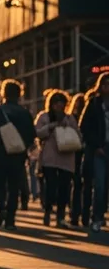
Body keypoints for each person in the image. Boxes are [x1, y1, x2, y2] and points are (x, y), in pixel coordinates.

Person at [0, 80, 36, 231]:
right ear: (19, 94)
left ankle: (1, 206)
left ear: (3, 93)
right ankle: (10, 219)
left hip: (0, 152)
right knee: (14, 186)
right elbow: (31, 135)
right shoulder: (25, 113)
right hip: (18, 154)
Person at [35, 91, 81, 228]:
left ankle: (60, 216)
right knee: (51, 187)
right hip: (49, 158)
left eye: (62, 104)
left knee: (64, 188)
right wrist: (51, 126)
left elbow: (78, 135)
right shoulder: (44, 117)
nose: (59, 107)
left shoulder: (70, 119)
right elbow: (37, 133)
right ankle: (48, 211)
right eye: (56, 104)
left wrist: (68, 127)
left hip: (66, 159)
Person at [79, 72, 109, 236]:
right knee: (99, 185)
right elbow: (84, 126)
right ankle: (97, 217)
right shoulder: (94, 104)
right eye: (105, 84)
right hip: (99, 149)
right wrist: (96, 145)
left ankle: (100, 215)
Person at [68, 92, 88, 227]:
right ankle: (81, 213)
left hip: (74, 154)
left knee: (76, 185)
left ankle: (75, 213)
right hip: (82, 153)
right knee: (85, 185)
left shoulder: (71, 119)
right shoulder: (74, 119)